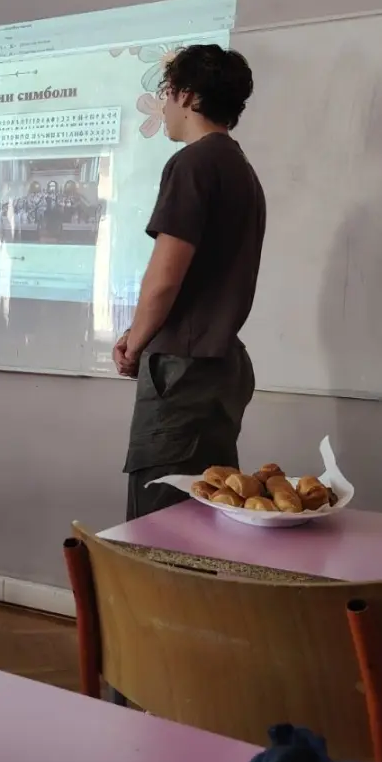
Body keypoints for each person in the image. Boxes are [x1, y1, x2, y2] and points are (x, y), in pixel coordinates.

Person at [113, 44, 266, 520]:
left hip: (182, 372)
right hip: (219, 370)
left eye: (167, 91)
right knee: (207, 522)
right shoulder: (240, 168)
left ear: (188, 96)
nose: (163, 104)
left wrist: (134, 343)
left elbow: (165, 277)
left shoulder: (194, 163)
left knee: (160, 527)